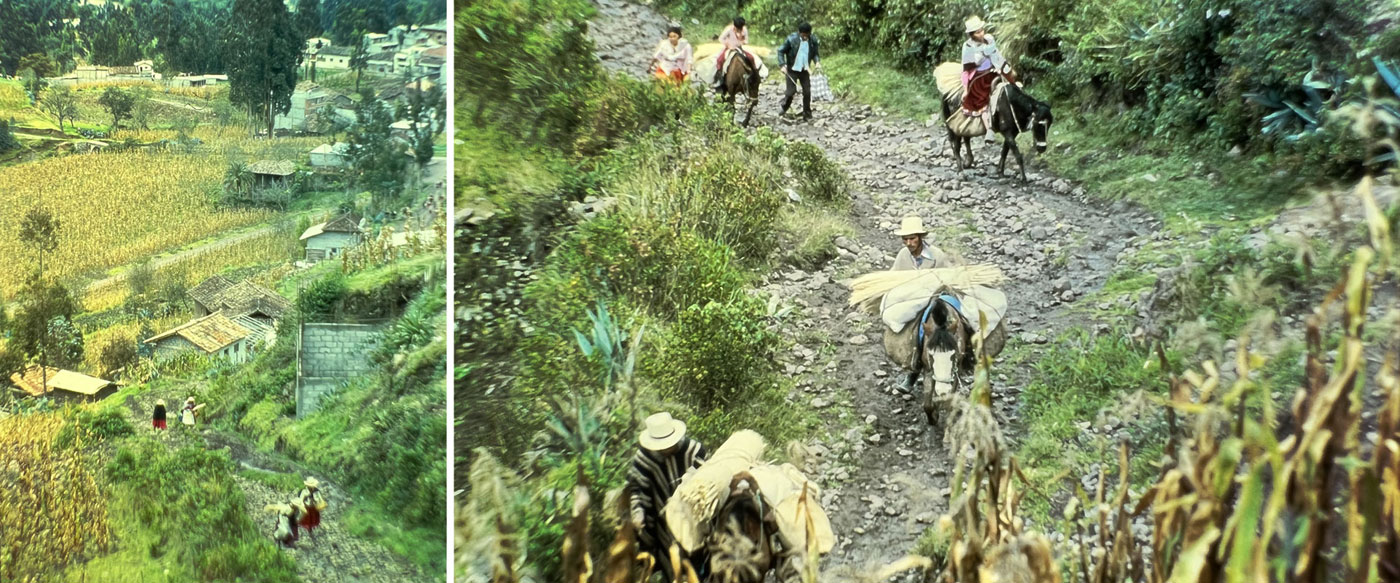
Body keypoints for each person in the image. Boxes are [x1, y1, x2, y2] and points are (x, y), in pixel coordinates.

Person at [627, 412, 708, 581]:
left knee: (700, 564)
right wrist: (637, 511)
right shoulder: (644, 458)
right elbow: (635, 488)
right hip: (662, 524)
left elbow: (710, 481)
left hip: (695, 519)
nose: (665, 450)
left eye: (668, 445)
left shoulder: (694, 451)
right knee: (671, 568)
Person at [890, 217, 952, 392]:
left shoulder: (937, 256)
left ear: (920, 237)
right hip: (913, 300)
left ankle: (961, 365)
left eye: (912, 238)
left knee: (952, 328)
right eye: (905, 239)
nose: (909, 243)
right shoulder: (903, 255)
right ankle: (913, 372)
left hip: (936, 300)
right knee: (911, 332)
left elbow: (948, 281)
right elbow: (893, 277)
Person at [960, 16, 1017, 143]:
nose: (981, 33)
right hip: (979, 76)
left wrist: (1001, 66)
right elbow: (966, 68)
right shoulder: (968, 46)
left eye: (982, 30)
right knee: (982, 100)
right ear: (972, 34)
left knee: (1011, 80)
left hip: (993, 70)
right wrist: (965, 88)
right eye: (977, 32)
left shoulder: (989, 40)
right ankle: (989, 129)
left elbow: (996, 54)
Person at [778, 22, 821, 121]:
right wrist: (782, 64)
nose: (805, 37)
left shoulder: (813, 40)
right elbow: (780, 51)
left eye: (807, 35)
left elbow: (815, 54)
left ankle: (807, 114)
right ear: (799, 33)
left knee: (807, 92)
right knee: (790, 92)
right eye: (803, 35)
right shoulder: (791, 39)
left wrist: (817, 62)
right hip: (792, 69)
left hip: (804, 70)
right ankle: (784, 107)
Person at [712, 17, 756, 91]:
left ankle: (754, 75)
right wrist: (728, 45)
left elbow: (746, 40)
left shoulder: (744, 29)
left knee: (751, 57)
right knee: (720, 59)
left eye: (740, 28)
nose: (739, 29)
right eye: (738, 28)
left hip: (739, 48)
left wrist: (742, 42)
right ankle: (720, 78)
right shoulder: (729, 29)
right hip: (729, 48)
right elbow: (721, 38)